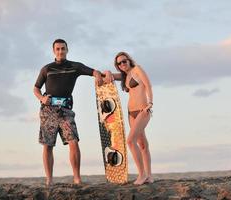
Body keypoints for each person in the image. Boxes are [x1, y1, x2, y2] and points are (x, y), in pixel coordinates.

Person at [33, 39, 103, 186]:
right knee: (48, 145)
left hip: (66, 111)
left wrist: (98, 76)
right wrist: (42, 98)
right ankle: (49, 179)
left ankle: (77, 178)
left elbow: (94, 71)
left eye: (63, 49)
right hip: (48, 110)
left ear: (67, 50)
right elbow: (36, 88)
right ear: (53, 51)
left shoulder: (75, 66)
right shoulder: (47, 68)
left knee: (74, 142)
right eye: (57, 49)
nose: (60, 51)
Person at [104, 52, 153, 185]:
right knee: (142, 144)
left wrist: (150, 103)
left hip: (143, 110)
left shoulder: (137, 69)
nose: (122, 64)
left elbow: (148, 85)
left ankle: (142, 175)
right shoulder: (124, 76)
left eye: (124, 61)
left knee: (130, 141)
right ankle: (149, 176)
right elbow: (108, 77)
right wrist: (108, 71)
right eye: (119, 64)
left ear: (129, 60)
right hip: (131, 113)